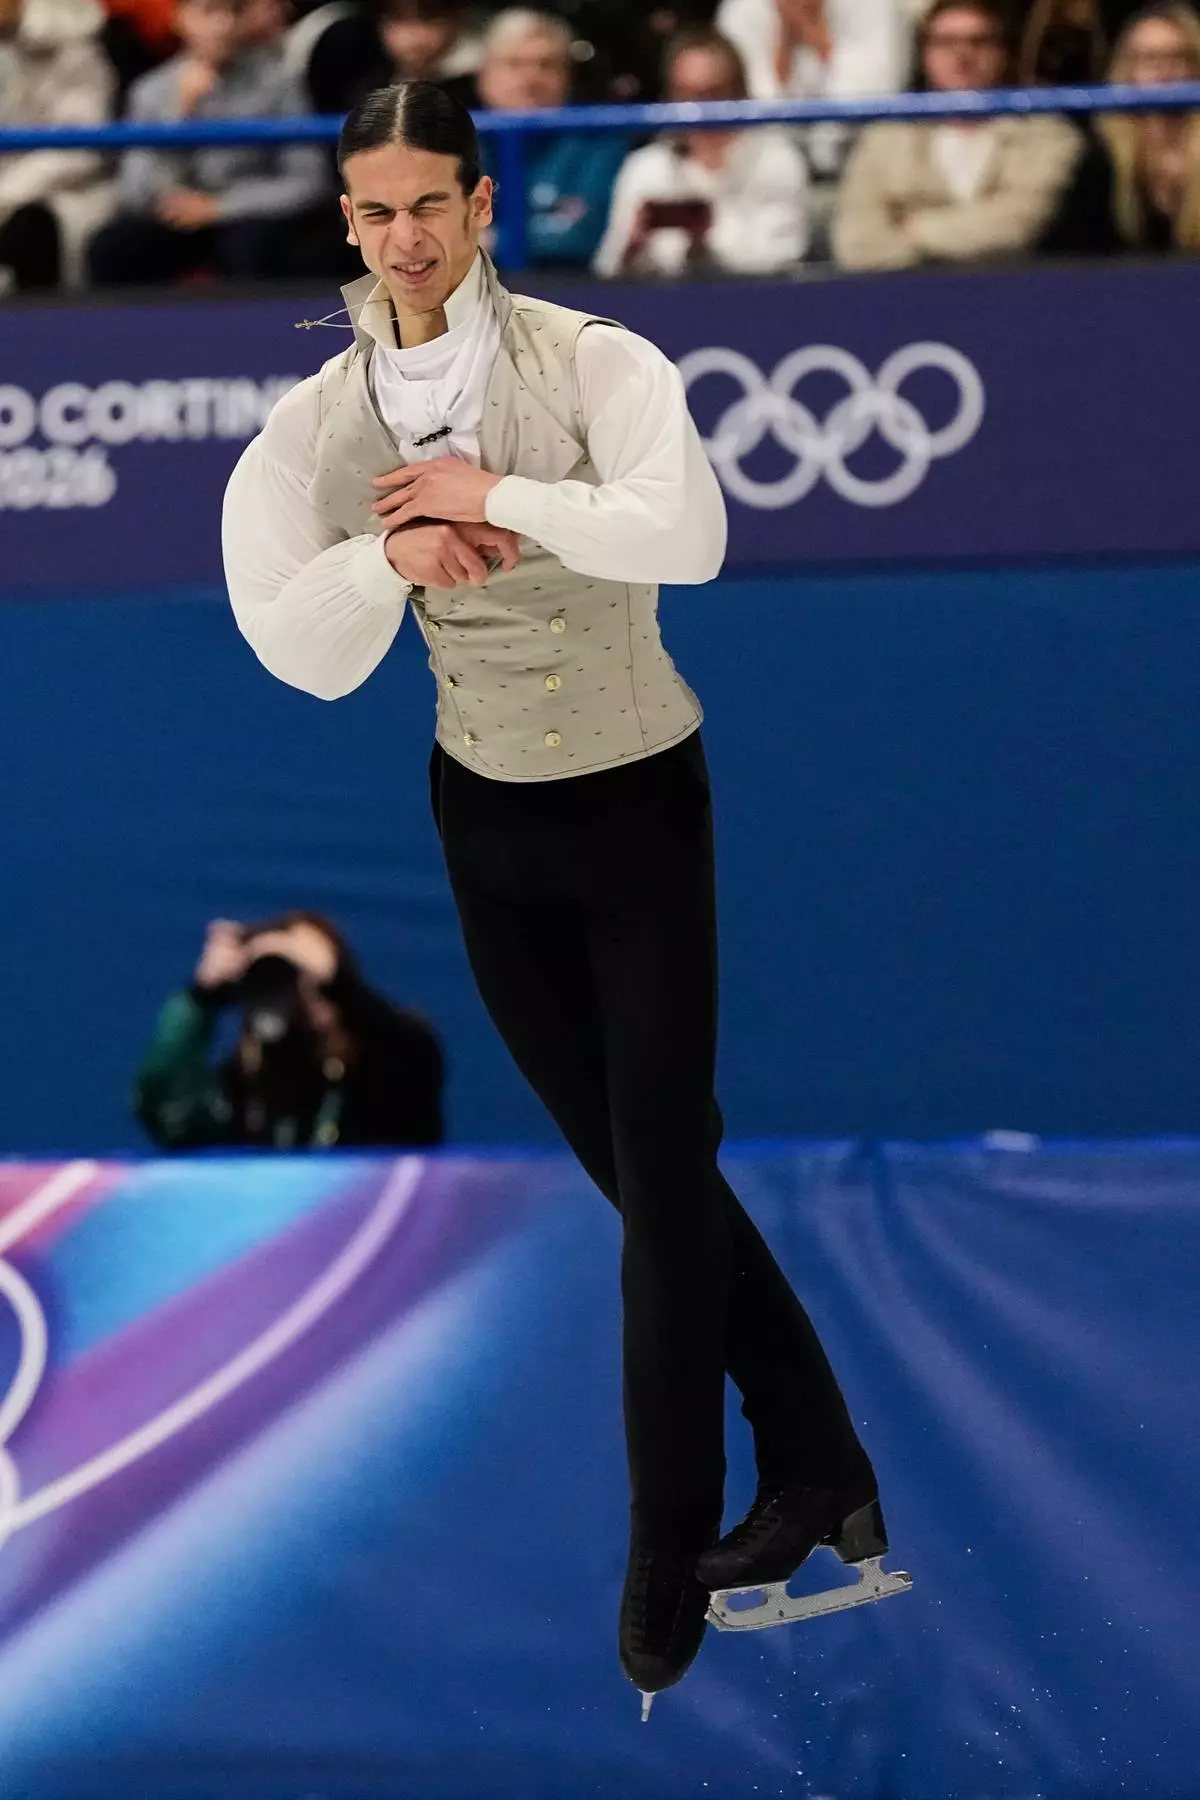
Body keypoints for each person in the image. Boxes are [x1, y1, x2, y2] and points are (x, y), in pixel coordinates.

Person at [220, 79, 889, 1712]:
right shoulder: (320, 420)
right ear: (349, 221)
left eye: (428, 206)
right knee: (640, 1177)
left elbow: (689, 535)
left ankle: (667, 1545)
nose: (403, 239)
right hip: (485, 824)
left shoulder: (594, 362)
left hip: (637, 807)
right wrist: (387, 556)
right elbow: (292, 645)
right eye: (375, 213)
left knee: (662, 1171)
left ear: (481, 203)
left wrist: (491, 495)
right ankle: (818, 1462)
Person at [134, 911, 445, 1149]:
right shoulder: (243, 1094)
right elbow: (166, 1110)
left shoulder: (385, 1079)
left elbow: (415, 1055)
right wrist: (201, 998)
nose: (299, 997)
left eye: (316, 985)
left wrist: (337, 982)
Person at [87, 0, 327, 284]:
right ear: (180, 19)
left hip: (246, 215)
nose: (223, 25)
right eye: (209, 11)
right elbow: (135, 191)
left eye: (233, 12)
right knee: (113, 246)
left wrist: (220, 207)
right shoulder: (150, 91)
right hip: (175, 216)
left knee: (252, 245)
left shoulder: (280, 82)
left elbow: (308, 180)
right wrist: (179, 117)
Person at [832, 0, 1083, 270]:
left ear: (1003, 52)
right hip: (904, 290)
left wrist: (914, 230)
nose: (962, 55)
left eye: (979, 42)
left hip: (1019, 285)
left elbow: (1017, 226)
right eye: (946, 42)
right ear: (924, 53)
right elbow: (857, 244)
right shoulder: (885, 137)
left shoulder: (1047, 134)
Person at [593, 29, 809, 277]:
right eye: (685, 95)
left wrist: (706, 244)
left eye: (713, 94)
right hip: (658, 296)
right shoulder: (646, 167)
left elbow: (784, 256)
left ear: (739, 93)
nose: (699, 110)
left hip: (754, 296)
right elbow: (607, 267)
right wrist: (631, 248)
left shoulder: (776, 160)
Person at [1040, 2, 1200, 253]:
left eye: (1177, 57)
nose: (1164, 71)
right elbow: (1072, 251)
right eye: (1150, 59)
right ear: (1128, 70)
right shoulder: (1100, 157)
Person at [474, 8, 628, 266]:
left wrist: (492, 242)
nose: (531, 78)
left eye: (546, 65)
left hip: (568, 286)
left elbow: (580, 238)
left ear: (567, 77)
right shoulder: (450, 145)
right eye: (514, 64)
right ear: (483, 75)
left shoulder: (599, 144)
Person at [0, 0, 116, 292]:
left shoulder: (78, 55)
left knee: (31, 226)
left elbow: (79, 149)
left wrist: (6, 193)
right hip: (11, 191)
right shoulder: (6, 54)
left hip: (58, 196)